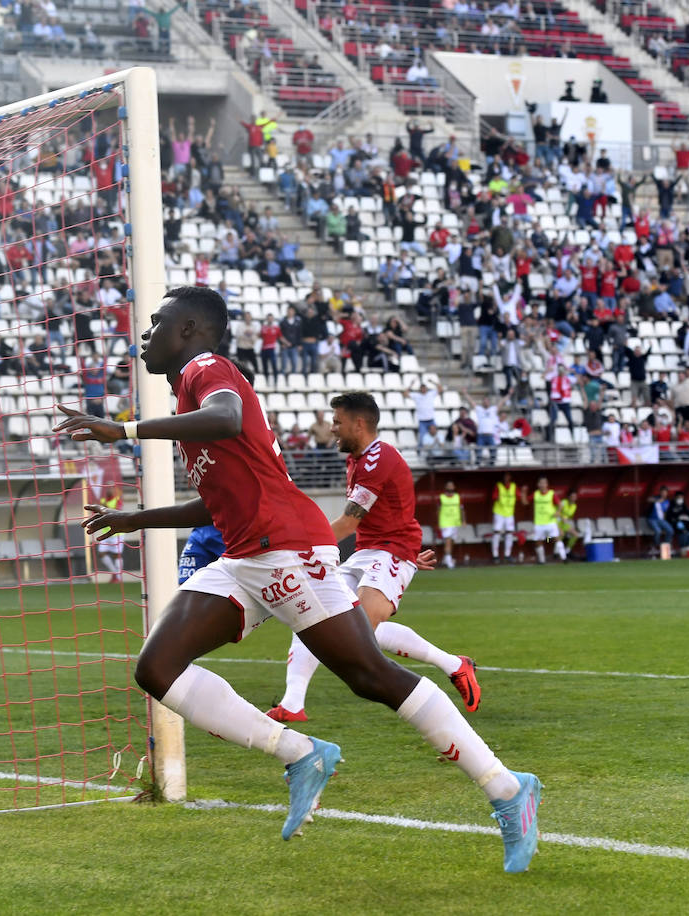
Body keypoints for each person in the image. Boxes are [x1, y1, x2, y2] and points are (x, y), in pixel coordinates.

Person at [53, 287, 539, 871]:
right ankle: (300, 752)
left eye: (156, 323)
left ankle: (508, 790)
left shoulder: (208, 370)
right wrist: (136, 519)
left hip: (287, 549)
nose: (145, 335)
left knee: (369, 675)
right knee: (156, 667)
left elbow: (227, 414)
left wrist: (123, 430)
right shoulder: (192, 402)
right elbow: (216, 504)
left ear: (187, 330)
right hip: (243, 557)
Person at [268, 392, 481, 721]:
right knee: (311, 613)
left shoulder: (377, 460)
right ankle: (292, 703)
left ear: (359, 423)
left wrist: (299, 546)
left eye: (338, 422)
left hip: (391, 550)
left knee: (356, 633)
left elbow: (349, 522)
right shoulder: (356, 458)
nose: (333, 429)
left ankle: (452, 669)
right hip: (370, 550)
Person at [529, 477, 566, 565]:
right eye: (541, 483)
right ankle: (542, 560)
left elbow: (560, 505)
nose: (542, 485)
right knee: (539, 541)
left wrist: (558, 512)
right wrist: (523, 493)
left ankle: (564, 558)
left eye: (544, 483)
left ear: (547, 484)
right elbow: (526, 502)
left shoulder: (551, 494)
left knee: (555, 538)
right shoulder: (535, 494)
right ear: (538, 484)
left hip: (550, 522)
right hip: (539, 523)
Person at [95, 483, 125, 583]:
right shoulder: (102, 501)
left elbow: (117, 512)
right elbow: (99, 512)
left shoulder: (117, 500)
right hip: (106, 531)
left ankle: (118, 578)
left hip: (117, 532)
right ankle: (115, 574)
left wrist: (105, 507)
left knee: (117, 555)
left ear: (114, 490)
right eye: (107, 488)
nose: (109, 490)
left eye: (111, 488)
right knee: (101, 553)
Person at [491, 471, 519, 563]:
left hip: (509, 513)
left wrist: (523, 492)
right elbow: (494, 497)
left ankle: (507, 555)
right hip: (499, 512)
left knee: (509, 533)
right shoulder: (498, 486)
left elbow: (519, 497)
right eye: (505, 476)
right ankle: (495, 556)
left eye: (508, 476)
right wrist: (497, 497)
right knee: (497, 533)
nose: (506, 478)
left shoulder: (514, 486)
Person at [437, 479, 462, 569]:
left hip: (455, 522)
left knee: (452, 541)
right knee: (448, 541)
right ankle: (449, 561)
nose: (450, 487)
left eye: (452, 485)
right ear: (446, 487)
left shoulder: (457, 497)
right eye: (449, 485)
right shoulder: (442, 497)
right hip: (445, 522)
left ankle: (446, 557)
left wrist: (463, 520)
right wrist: (438, 522)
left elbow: (462, 509)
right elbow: (438, 510)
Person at [558, 488, 583, 560]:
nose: (574, 498)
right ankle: (556, 552)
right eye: (572, 497)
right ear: (568, 497)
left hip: (564, 524)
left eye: (575, 497)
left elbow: (569, 516)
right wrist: (562, 517)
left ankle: (567, 551)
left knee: (575, 534)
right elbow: (557, 512)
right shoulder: (563, 502)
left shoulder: (574, 506)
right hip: (556, 522)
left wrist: (566, 519)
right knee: (555, 536)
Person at [647, 486, 674, 552]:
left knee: (670, 530)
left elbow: (665, 512)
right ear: (660, 492)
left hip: (661, 520)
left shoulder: (667, 501)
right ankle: (657, 546)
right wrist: (657, 500)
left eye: (665, 492)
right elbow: (648, 499)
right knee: (658, 531)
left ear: (667, 493)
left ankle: (666, 545)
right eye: (662, 492)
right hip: (652, 519)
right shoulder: (656, 498)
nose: (664, 494)